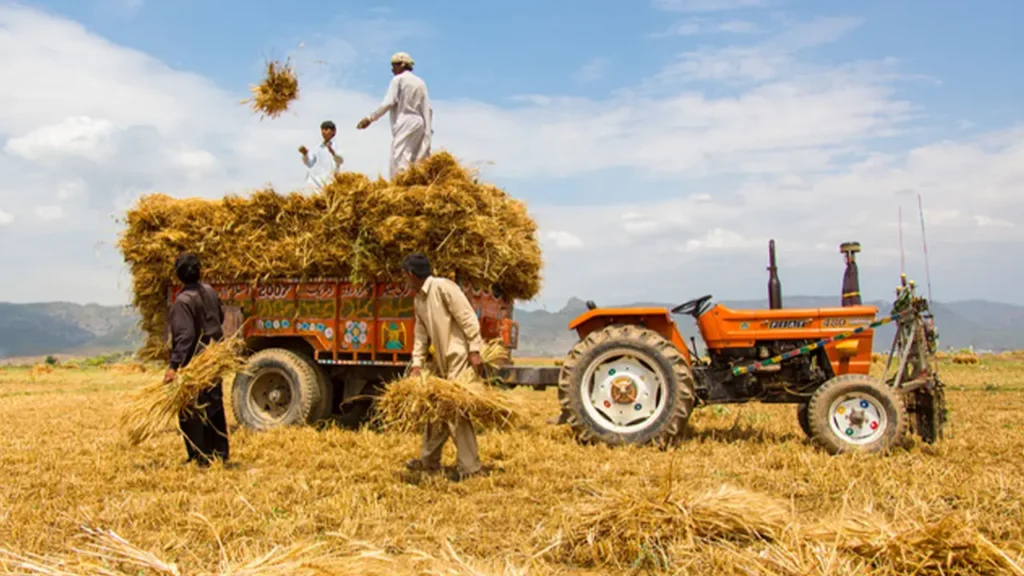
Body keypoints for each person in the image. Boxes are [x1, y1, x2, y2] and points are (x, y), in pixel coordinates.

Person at [401, 253, 487, 481]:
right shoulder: (419, 299)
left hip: (458, 356)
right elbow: (420, 334)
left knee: (455, 410)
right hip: (440, 360)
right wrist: (417, 364)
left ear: (411, 274)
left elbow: (468, 317)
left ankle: (470, 467)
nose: (404, 282)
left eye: (404, 277)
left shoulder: (443, 288)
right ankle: (429, 461)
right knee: (435, 408)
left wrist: (475, 349)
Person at [164, 253, 229, 468]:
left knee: (191, 407)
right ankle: (219, 453)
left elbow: (185, 336)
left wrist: (174, 366)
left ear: (179, 276)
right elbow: (220, 317)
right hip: (213, 355)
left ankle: (200, 457)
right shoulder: (209, 291)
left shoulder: (183, 301)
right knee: (214, 404)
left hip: (196, 360)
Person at [356, 52, 433, 179]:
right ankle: (414, 181)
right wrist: (428, 129)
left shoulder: (399, 80)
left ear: (402, 65)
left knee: (399, 157)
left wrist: (370, 118)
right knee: (414, 155)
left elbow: (388, 102)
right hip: (420, 122)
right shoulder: (420, 82)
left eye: (394, 66)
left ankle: (401, 184)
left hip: (405, 119)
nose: (392, 69)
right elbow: (428, 109)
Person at [299, 120, 344, 191]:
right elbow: (309, 163)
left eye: (326, 129)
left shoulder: (338, 145)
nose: (323, 132)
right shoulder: (318, 147)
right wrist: (305, 154)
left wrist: (332, 151)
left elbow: (340, 160)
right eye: (322, 129)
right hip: (317, 182)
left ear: (333, 131)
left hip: (331, 181)